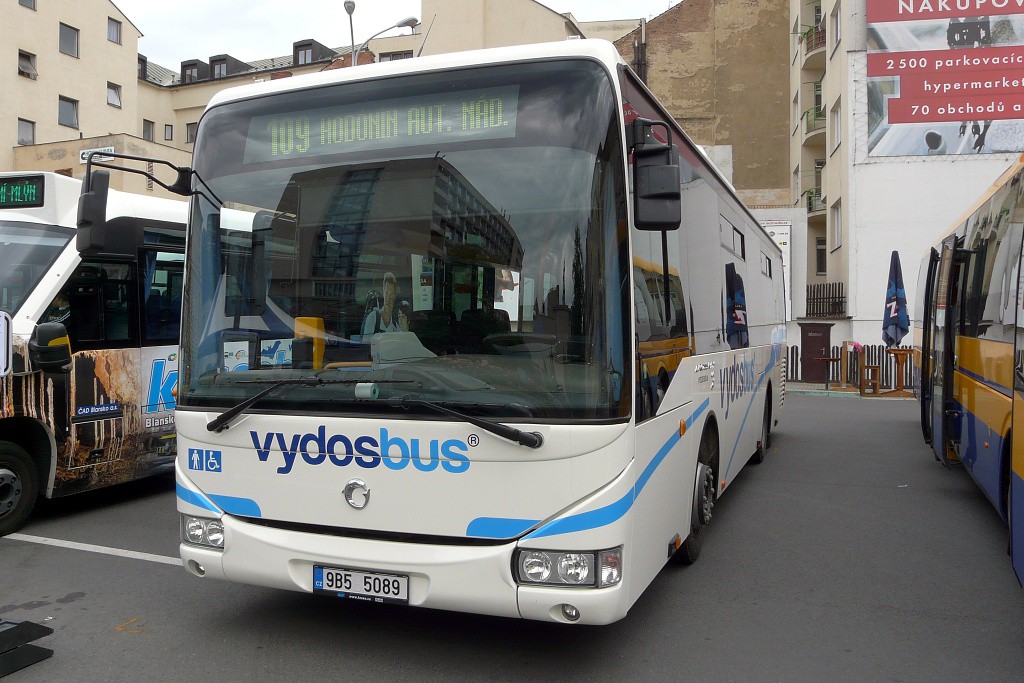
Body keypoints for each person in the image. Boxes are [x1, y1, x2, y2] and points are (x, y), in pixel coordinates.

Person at [361, 272, 408, 336]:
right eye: (386, 293)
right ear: (383, 294)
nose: (388, 298)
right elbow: (366, 342)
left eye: (391, 295)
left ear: (395, 296)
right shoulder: (373, 317)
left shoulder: (397, 323)